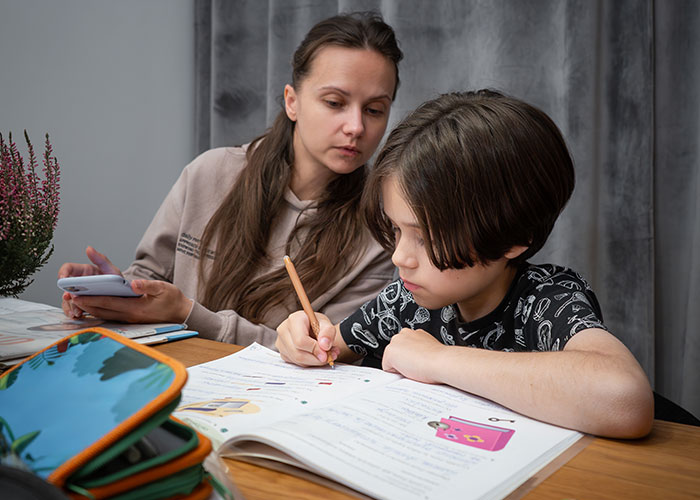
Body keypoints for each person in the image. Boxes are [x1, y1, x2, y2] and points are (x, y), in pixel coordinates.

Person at [275, 90, 654, 438]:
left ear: (511, 238)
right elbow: (331, 346)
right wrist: (306, 339)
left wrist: (438, 359)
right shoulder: (406, 301)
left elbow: (625, 399)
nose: (399, 257)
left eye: (424, 237)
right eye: (396, 229)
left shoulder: (546, 300)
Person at [58, 12, 402, 347]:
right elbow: (150, 277)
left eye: (374, 110)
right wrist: (113, 293)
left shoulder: (380, 231)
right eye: (335, 102)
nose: (356, 127)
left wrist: (187, 313)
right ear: (292, 102)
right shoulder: (209, 174)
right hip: (165, 376)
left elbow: (329, 351)